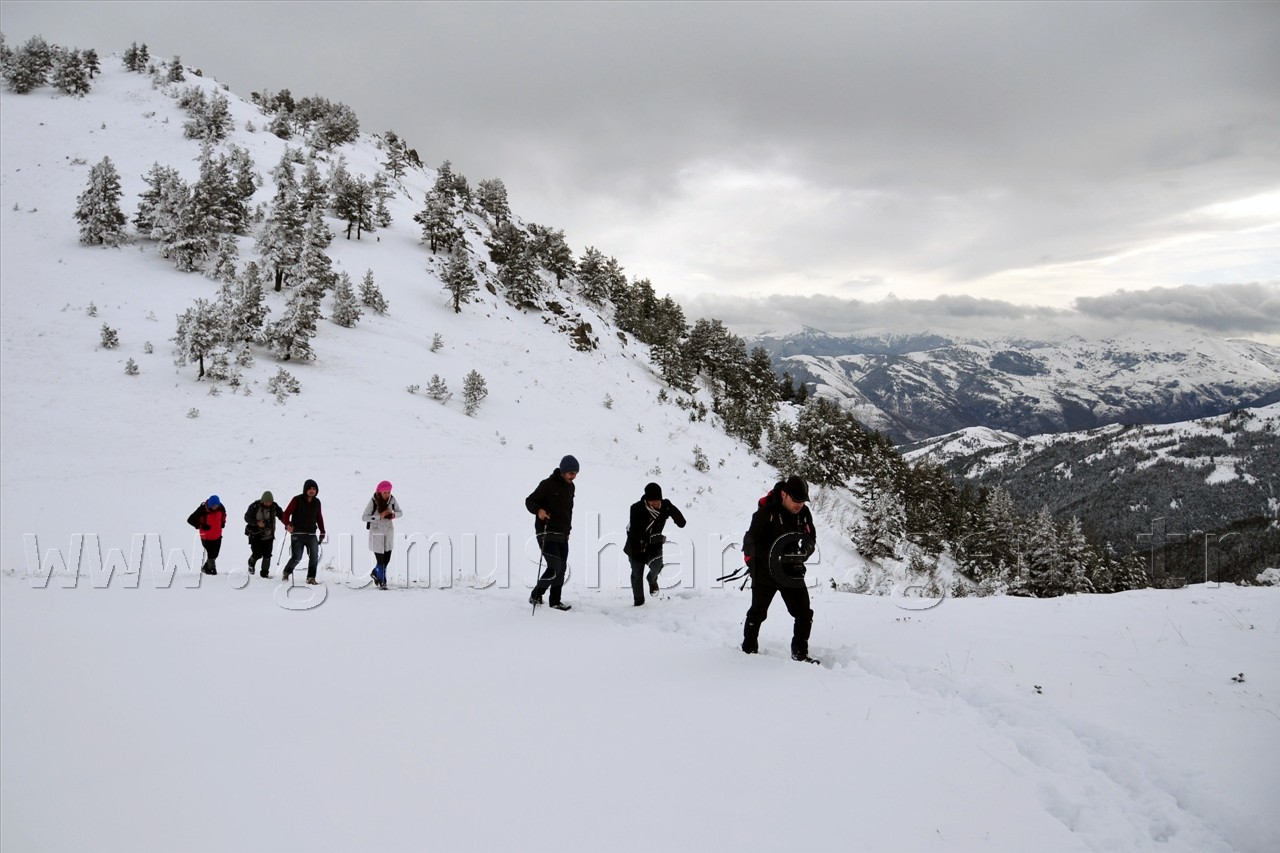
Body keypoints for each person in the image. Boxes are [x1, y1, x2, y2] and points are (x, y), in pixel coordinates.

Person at [741, 475, 819, 664]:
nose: (799, 504)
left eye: (803, 501)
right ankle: (748, 650)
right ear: (784, 495)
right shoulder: (765, 513)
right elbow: (750, 545)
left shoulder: (804, 514)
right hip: (764, 573)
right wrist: (773, 558)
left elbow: (811, 539)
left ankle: (800, 653)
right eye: (796, 500)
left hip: (792, 572)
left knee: (804, 614)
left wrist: (803, 553)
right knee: (757, 613)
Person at [525, 455, 578, 611]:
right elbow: (530, 501)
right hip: (546, 532)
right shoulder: (547, 484)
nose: (573, 476)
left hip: (563, 534)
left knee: (561, 569)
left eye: (575, 473)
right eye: (570, 472)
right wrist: (539, 510)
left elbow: (568, 511)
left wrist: (568, 530)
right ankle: (535, 594)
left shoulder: (571, 487)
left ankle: (555, 601)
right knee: (555, 566)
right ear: (562, 471)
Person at [623, 482, 687, 605]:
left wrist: (672, 509)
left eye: (658, 501)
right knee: (636, 575)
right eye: (653, 502)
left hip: (654, 547)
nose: (656, 504)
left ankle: (651, 580)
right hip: (636, 546)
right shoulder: (636, 508)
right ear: (646, 500)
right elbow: (636, 532)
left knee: (657, 567)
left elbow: (682, 523)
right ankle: (639, 603)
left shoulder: (664, 506)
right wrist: (655, 539)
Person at [282, 478, 326, 585]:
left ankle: (311, 578)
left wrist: (322, 531)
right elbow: (286, 514)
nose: (312, 491)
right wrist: (287, 524)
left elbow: (319, 517)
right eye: (310, 488)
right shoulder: (297, 500)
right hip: (298, 534)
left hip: (311, 534)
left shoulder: (317, 502)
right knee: (297, 557)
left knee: (314, 556)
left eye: (314, 489)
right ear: (305, 489)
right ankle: (287, 571)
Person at [362, 480, 403, 590]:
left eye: (388, 492)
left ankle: (375, 572)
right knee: (381, 561)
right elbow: (364, 517)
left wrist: (393, 515)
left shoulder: (392, 500)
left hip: (388, 532)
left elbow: (400, 512)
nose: (387, 494)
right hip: (376, 533)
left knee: (387, 560)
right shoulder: (373, 501)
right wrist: (379, 516)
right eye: (385, 492)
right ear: (379, 492)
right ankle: (382, 581)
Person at [244, 491, 284, 578]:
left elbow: (282, 515)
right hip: (255, 535)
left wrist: (287, 523)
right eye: (266, 502)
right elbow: (246, 517)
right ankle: (251, 563)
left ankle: (264, 574)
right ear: (262, 500)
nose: (268, 504)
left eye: (270, 502)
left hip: (269, 536)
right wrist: (257, 523)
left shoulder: (274, 506)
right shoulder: (254, 506)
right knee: (257, 554)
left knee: (267, 555)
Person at [187, 495, 227, 575]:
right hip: (206, 537)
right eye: (214, 506)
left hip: (217, 535)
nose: (215, 507)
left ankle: (206, 568)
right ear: (210, 504)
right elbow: (190, 520)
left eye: (217, 505)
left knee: (215, 554)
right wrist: (201, 526)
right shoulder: (202, 509)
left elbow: (224, 514)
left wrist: (223, 522)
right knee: (211, 554)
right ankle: (211, 571)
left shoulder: (220, 507)